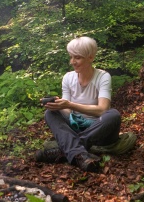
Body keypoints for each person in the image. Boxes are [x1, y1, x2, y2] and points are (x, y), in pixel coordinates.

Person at [34, 37, 136, 172]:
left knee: (113, 115)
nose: (72, 62)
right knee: (49, 113)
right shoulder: (68, 78)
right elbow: (68, 112)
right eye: (71, 57)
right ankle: (80, 154)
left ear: (90, 57)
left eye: (77, 57)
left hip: (99, 129)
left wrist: (70, 104)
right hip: (76, 125)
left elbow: (102, 109)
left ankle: (64, 151)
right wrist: (58, 106)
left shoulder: (103, 76)